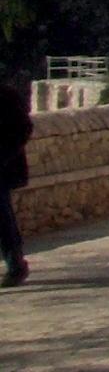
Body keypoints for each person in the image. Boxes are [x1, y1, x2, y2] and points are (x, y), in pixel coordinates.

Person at [1, 70, 30, 288]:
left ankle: (15, 265)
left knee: (3, 219)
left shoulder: (6, 96)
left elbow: (23, 128)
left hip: (1, 170)